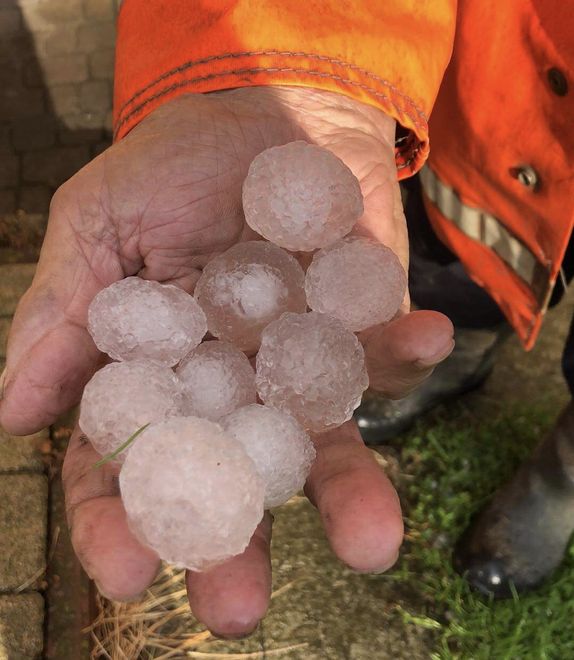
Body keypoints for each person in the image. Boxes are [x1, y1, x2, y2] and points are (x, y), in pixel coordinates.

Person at [0, 0, 572, 638]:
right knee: (462, 281)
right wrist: (284, 70)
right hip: (488, 123)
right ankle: (462, 359)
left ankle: (561, 483)